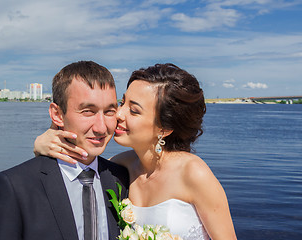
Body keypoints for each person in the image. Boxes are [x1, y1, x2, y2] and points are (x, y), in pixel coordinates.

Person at [34, 63, 237, 239]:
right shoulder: (121, 166)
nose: (118, 114)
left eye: (134, 110)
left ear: (164, 129)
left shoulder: (193, 173)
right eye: (122, 102)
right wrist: (41, 145)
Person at [0, 61, 129, 240]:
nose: (101, 128)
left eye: (109, 112)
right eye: (88, 112)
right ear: (57, 115)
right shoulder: (16, 186)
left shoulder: (122, 179)